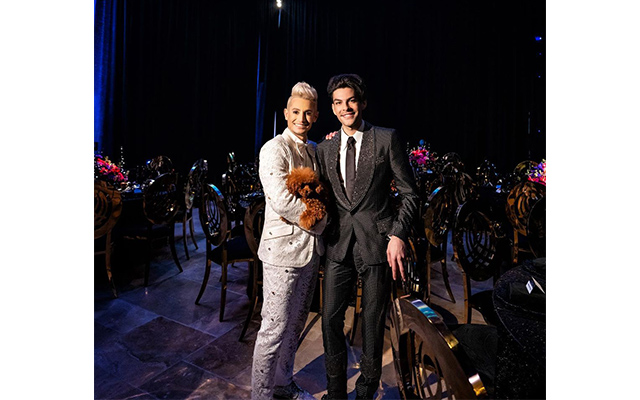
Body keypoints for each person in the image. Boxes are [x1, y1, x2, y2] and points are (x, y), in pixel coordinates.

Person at [315, 74, 419, 399]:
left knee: (372, 323)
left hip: (377, 243)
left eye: (351, 101)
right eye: (338, 102)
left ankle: (365, 391)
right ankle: (335, 391)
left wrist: (398, 235)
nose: (345, 108)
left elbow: (410, 193)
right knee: (329, 320)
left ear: (362, 102)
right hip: (338, 243)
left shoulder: (386, 138)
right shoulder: (325, 147)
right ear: (332, 108)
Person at [251, 82, 327, 400]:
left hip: (310, 252)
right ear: (286, 113)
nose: (301, 118)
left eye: (308, 113)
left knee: (295, 325)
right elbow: (282, 201)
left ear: (316, 115)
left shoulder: (315, 150)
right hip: (281, 251)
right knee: (274, 328)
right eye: (296, 112)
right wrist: (322, 222)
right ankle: (261, 395)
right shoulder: (274, 149)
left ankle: (283, 384)